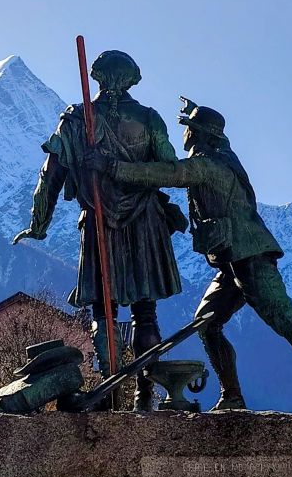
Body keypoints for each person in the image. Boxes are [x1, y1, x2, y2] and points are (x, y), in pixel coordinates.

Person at [84, 98, 292, 419]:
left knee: (285, 322)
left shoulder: (208, 165)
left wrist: (114, 168)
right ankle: (232, 395)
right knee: (207, 324)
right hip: (230, 261)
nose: (183, 134)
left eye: (189, 129)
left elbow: (169, 174)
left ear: (200, 134)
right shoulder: (220, 158)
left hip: (249, 256)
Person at [13, 50, 186, 410]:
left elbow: (50, 177)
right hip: (146, 222)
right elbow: (171, 170)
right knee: (145, 310)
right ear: (131, 79)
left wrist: (38, 225)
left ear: (97, 77)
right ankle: (144, 393)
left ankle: (109, 392)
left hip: (99, 221)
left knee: (103, 312)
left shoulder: (76, 120)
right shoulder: (149, 120)